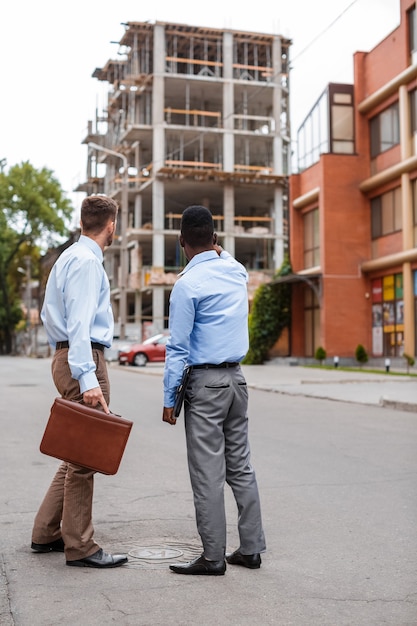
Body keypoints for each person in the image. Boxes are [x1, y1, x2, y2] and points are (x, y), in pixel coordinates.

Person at [162, 205, 266, 576]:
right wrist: (216, 248)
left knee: (207, 472)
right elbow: (224, 256)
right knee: (241, 466)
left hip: (206, 385)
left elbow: (177, 348)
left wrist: (169, 399)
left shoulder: (187, 285)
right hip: (237, 381)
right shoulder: (237, 272)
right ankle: (251, 549)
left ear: (181, 242)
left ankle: (213, 557)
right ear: (216, 239)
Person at [31, 195, 128, 569]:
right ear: (111, 226)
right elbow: (80, 324)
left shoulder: (68, 258)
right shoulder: (88, 263)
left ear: (82, 221)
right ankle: (81, 546)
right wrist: (88, 377)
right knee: (86, 454)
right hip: (83, 359)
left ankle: (46, 532)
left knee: (76, 450)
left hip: (65, 356)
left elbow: (48, 313)